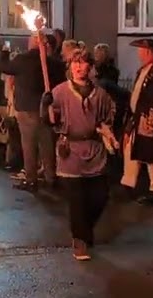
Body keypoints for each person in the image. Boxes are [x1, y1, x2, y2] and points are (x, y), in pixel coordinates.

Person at [47, 51, 117, 261]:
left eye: (83, 63)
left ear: (90, 67)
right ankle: (80, 240)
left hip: (95, 150)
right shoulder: (59, 92)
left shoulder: (101, 94)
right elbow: (51, 121)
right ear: (70, 66)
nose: (79, 67)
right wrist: (46, 109)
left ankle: (85, 230)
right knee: (76, 200)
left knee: (99, 197)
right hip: (71, 150)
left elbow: (107, 119)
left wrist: (108, 134)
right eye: (75, 63)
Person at [0, 31, 65, 192]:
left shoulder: (23, 60)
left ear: (32, 43)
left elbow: (3, 66)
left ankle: (31, 179)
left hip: (27, 110)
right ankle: (50, 177)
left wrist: (6, 47)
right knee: (47, 144)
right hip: (46, 109)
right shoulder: (54, 63)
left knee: (28, 145)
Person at [120, 38, 153, 205]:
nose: (140, 54)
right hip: (137, 118)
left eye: (142, 51)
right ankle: (128, 183)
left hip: (151, 120)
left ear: (150, 52)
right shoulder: (144, 70)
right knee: (131, 150)